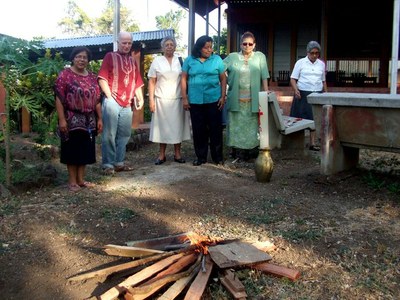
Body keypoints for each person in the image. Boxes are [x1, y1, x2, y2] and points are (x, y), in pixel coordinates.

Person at [54, 46, 102, 192]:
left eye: (85, 57)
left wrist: (100, 118)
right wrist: (62, 119)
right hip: (71, 118)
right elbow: (59, 98)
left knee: (85, 150)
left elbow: (98, 100)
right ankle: (72, 181)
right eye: (79, 56)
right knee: (72, 150)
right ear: (73, 58)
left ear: (88, 60)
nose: (82, 59)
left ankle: (81, 180)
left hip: (89, 120)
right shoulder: (65, 75)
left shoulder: (92, 77)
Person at [98, 31, 144, 175]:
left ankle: (119, 162)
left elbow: (137, 82)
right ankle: (108, 164)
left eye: (129, 43)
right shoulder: (109, 56)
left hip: (127, 103)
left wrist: (140, 98)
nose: (127, 45)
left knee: (124, 134)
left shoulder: (132, 60)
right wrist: (109, 96)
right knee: (109, 134)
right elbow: (102, 78)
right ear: (118, 42)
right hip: (112, 101)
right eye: (124, 43)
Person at [223, 31, 270, 161]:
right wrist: (227, 81)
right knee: (236, 125)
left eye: (250, 44)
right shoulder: (232, 57)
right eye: (245, 43)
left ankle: (251, 151)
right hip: (236, 98)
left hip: (253, 99)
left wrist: (265, 92)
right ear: (240, 44)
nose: (247, 46)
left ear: (254, 45)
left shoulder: (260, 57)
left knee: (252, 125)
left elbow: (264, 75)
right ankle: (237, 151)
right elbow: (220, 69)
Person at [181, 35, 227, 166]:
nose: (209, 50)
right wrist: (185, 98)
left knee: (215, 129)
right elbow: (183, 79)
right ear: (199, 48)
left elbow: (223, 79)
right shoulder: (189, 60)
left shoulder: (217, 60)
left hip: (214, 99)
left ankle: (217, 157)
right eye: (206, 47)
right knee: (198, 129)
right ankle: (200, 157)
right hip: (195, 101)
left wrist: (223, 96)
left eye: (211, 47)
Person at [148, 36, 191, 165]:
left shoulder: (180, 60)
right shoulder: (157, 61)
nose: (169, 46)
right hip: (161, 100)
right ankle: (162, 155)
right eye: (166, 44)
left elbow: (185, 80)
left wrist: (185, 98)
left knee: (178, 127)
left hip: (178, 99)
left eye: (171, 44)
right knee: (162, 128)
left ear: (175, 47)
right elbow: (152, 81)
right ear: (162, 47)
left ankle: (178, 154)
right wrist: (151, 100)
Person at [290, 40, 328, 151]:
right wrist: (296, 90)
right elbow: (293, 79)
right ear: (307, 52)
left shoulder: (321, 64)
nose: (314, 55)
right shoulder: (300, 63)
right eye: (312, 53)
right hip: (302, 94)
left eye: (317, 53)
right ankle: (297, 143)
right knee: (300, 119)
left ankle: (312, 143)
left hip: (317, 94)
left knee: (314, 118)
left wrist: (326, 94)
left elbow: (323, 81)